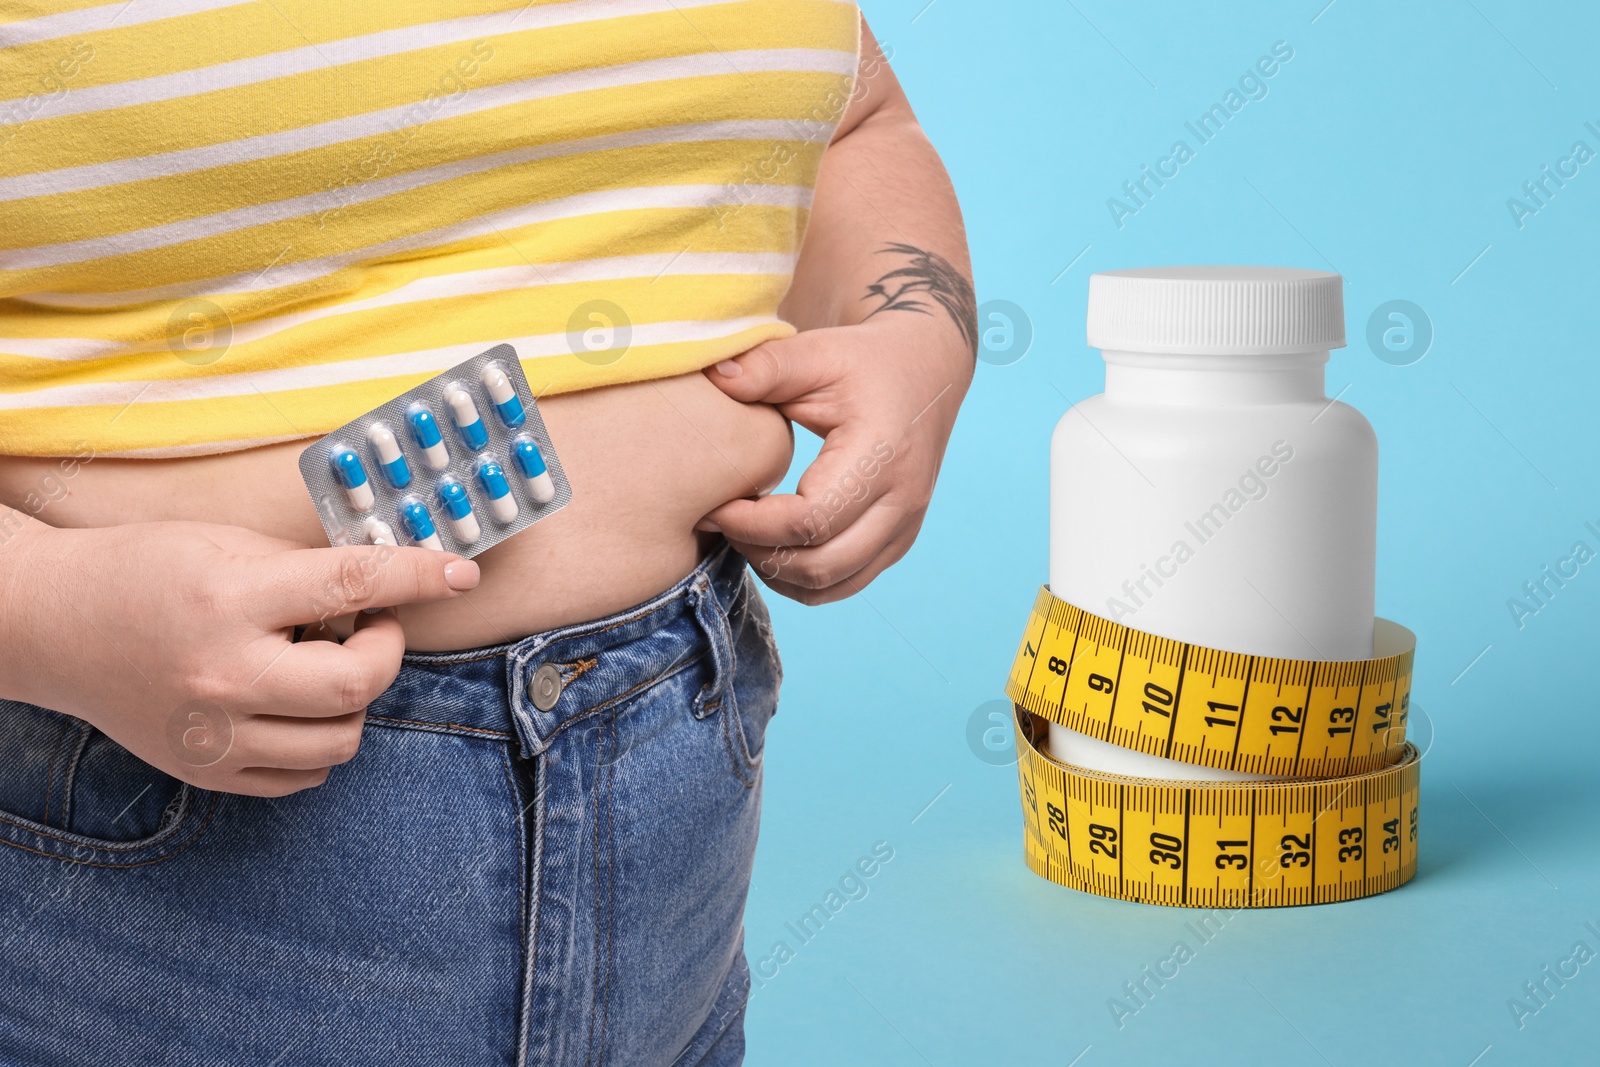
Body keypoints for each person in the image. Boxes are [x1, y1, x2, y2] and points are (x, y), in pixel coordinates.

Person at [0, 3, 972, 1064]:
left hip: (682, 756)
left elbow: (852, 118)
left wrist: (915, 329)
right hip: (153, 828)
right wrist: (44, 605)